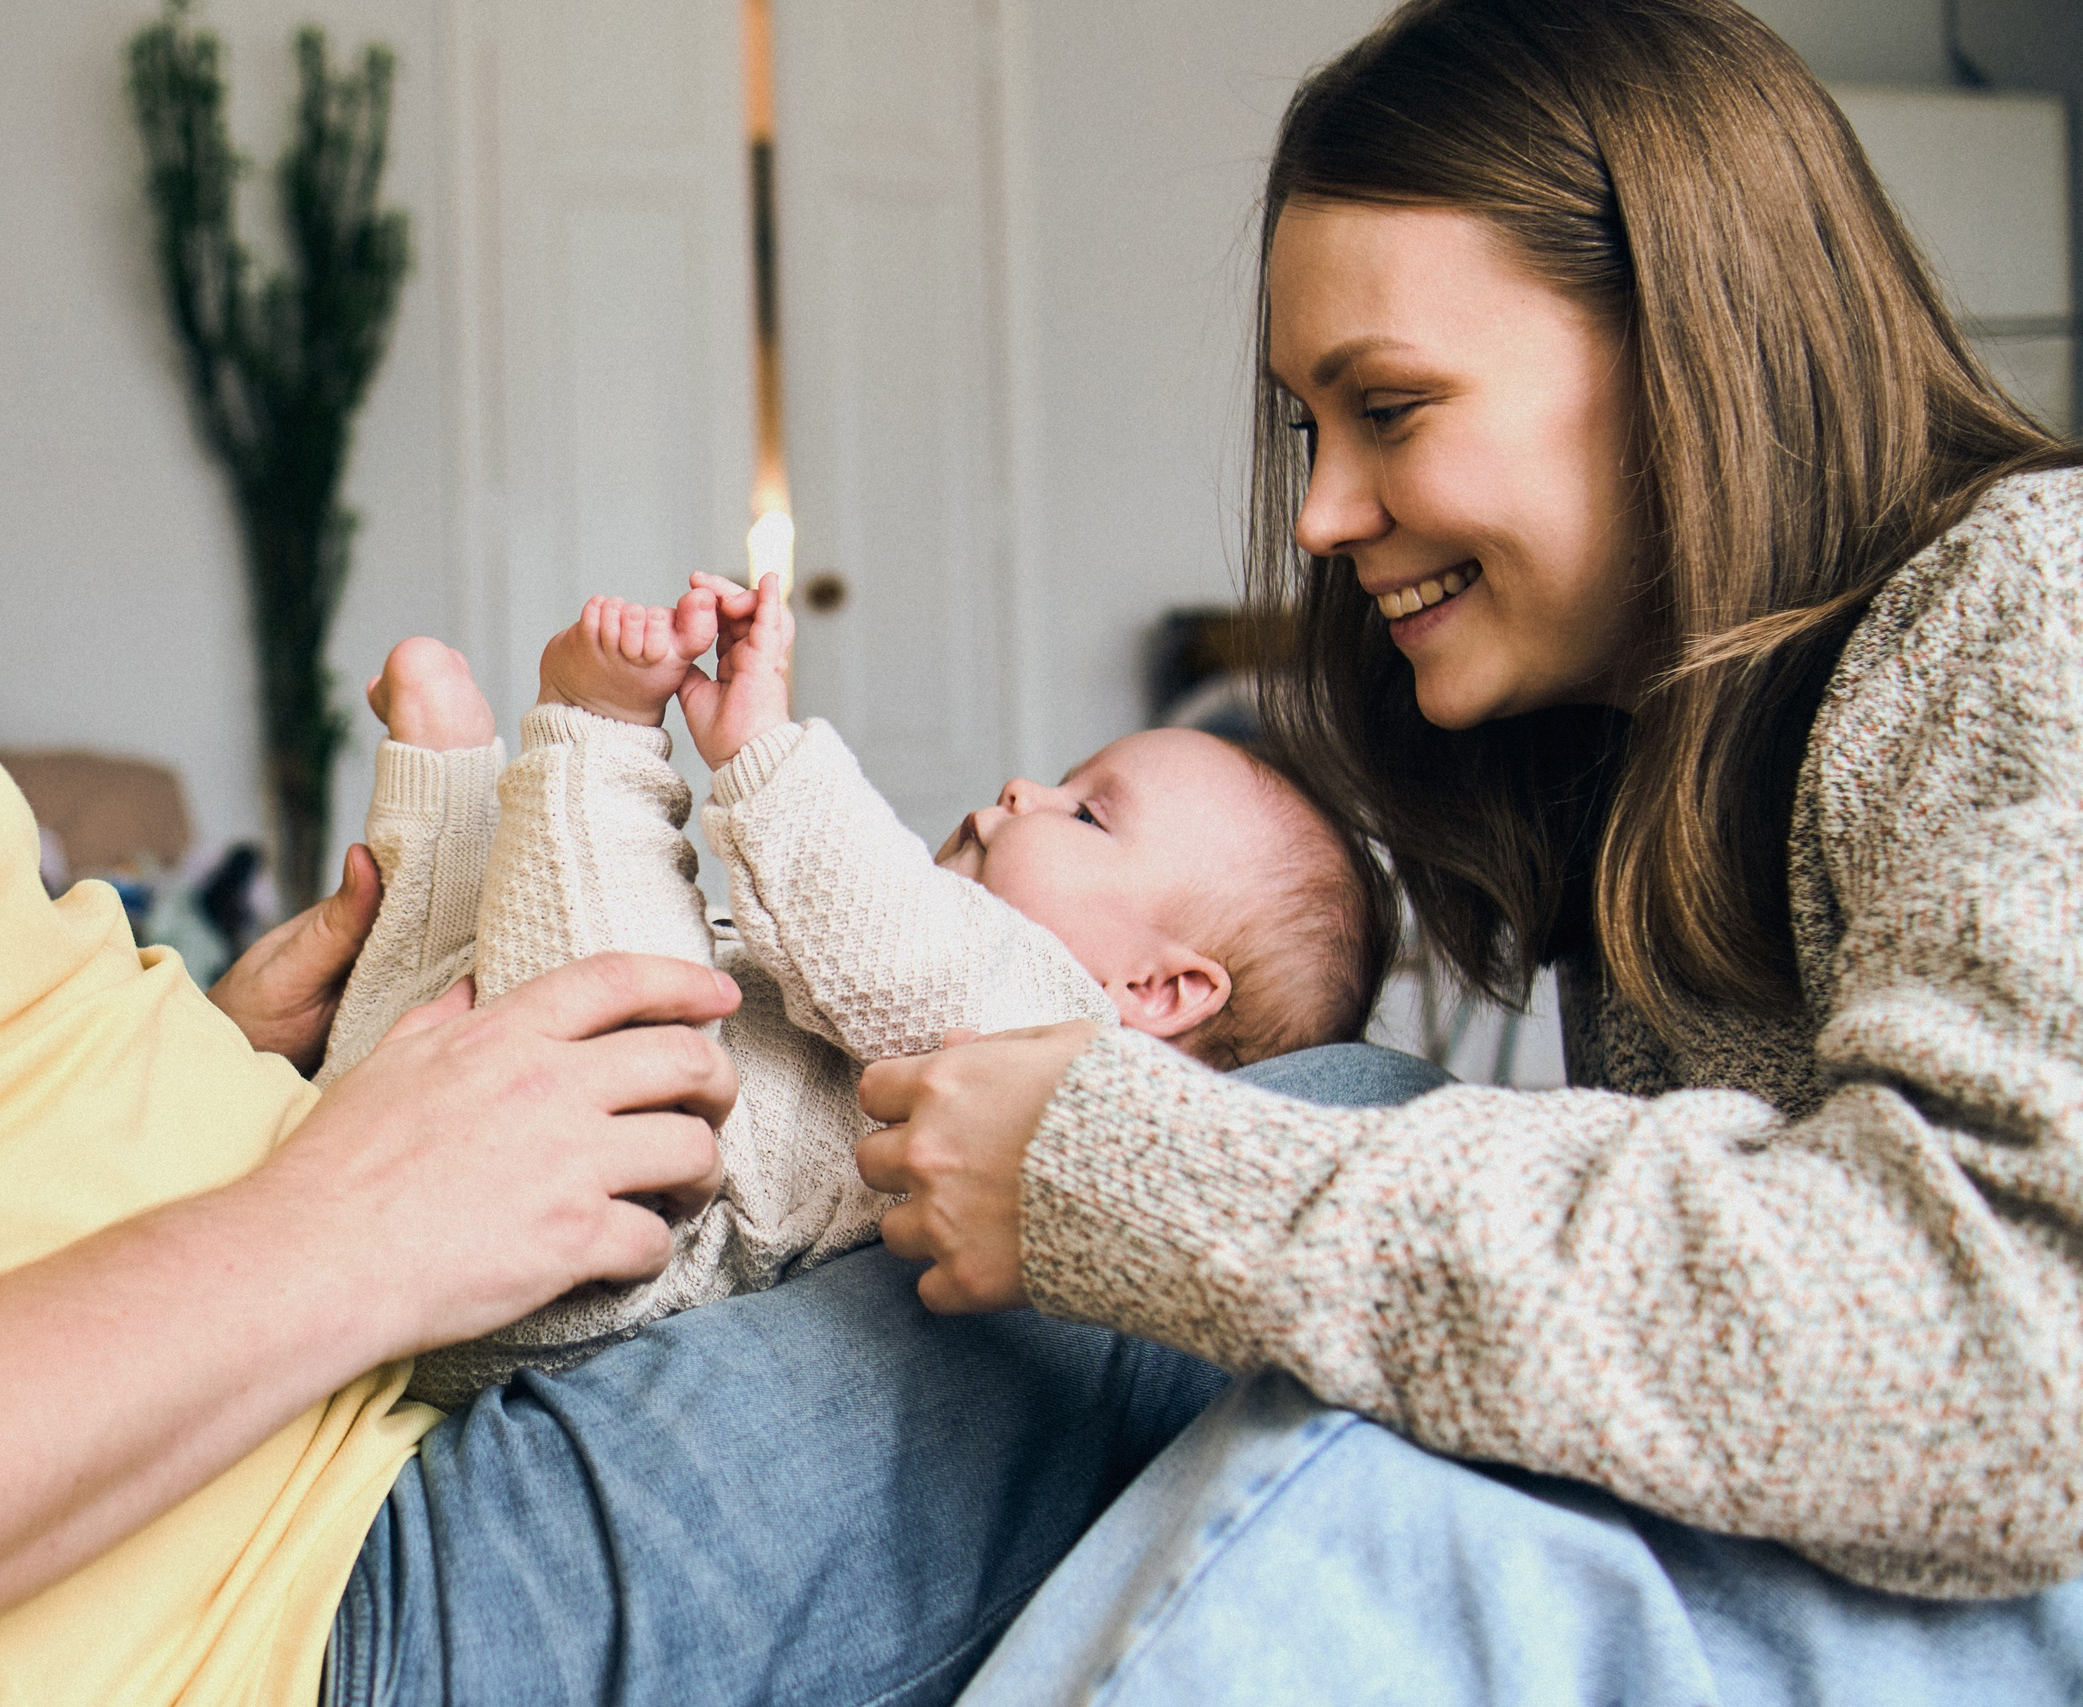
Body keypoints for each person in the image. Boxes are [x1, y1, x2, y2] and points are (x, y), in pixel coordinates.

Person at [0, 3, 1387, 1702]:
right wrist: (349, 1222)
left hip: (307, 1424)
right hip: (299, 1594)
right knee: (1342, 1115)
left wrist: (191, 1064)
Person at [852, 1, 2083, 1701]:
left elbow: (2012, 1354)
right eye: (1309, 425)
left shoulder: (2036, 596)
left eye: (1391, 407)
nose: (1323, 514)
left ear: (1685, 355)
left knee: (1403, 1496)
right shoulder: (1639, 769)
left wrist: (1130, 1171)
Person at [319, 576, 1385, 1404]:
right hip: (431, 1167)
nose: (1024, 788)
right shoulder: (1015, 980)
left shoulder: (1058, 1028)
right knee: (478, 955)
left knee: (623, 981)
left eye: (1085, 814)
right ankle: (458, 806)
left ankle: (578, 739)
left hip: (604, 1243)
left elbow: (881, 944)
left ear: (1158, 990)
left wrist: (760, 748)